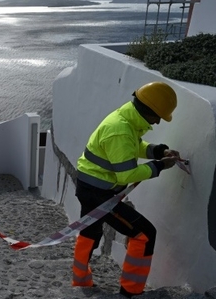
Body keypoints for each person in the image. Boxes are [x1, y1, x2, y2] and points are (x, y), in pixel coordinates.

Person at [71, 81, 181, 298]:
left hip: (91, 187)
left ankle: (80, 279)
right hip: (99, 194)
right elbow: (127, 175)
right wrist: (160, 166)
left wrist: (157, 151)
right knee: (145, 234)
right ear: (148, 111)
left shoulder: (126, 119)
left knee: (90, 232)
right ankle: (130, 292)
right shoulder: (120, 130)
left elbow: (132, 147)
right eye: (158, 116)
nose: (158, 122)